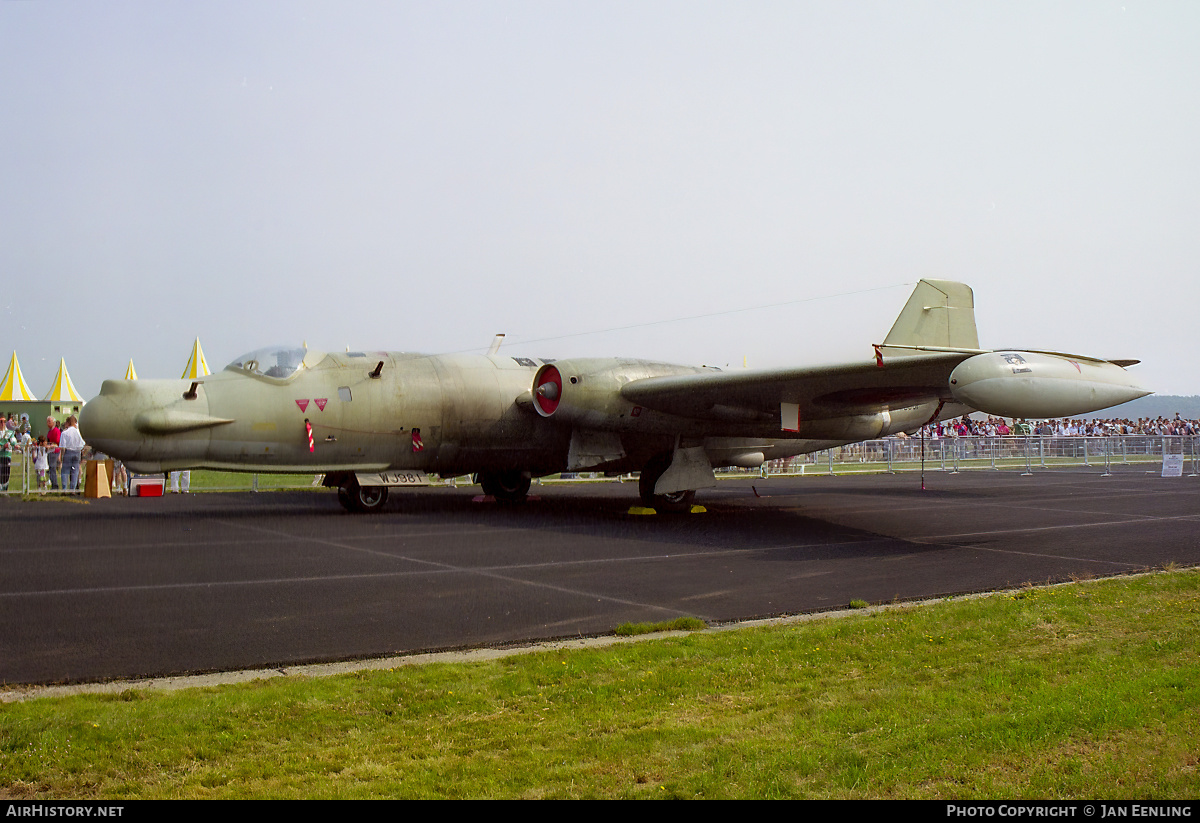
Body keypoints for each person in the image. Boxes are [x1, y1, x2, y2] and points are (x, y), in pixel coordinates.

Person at [58, 415, 86, 492]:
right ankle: (72, 489)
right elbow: (83, 444)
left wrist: (62, 455)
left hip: (68, 451)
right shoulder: (79, 432)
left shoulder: (65, 433)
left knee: (65, 471)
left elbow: (62, 446)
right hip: (77, 452)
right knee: (75, 471)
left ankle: (64, 489)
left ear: (68, 423)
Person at [45, 417, 61, 490]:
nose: (48, 423)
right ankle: (53, 483)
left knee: (52, 468)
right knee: (51, 468)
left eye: (49, 421)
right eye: (47, 421)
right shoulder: (49, 431)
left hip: (54, 452)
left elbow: (57, 442)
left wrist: (50, 446)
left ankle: (55, 485)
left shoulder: (56, 431)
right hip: (50, 452)